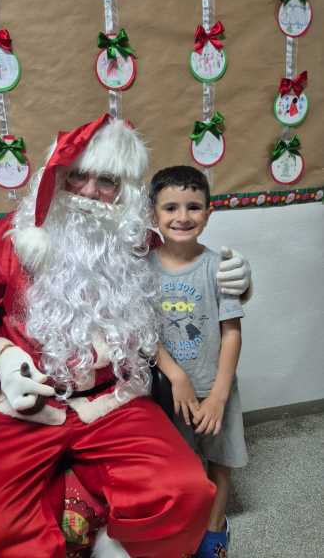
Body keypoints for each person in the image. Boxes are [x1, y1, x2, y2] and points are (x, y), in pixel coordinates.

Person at [0, 115, 250, 558]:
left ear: (124, 191)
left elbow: (187, 260)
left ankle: (116, 542)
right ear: (57, 176)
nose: (88, 191)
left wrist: (238, 278)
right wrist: (1, 358)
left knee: (185, 490)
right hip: (25, 405)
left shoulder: (133, 241)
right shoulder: (10, 240)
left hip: (112, 401)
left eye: (107, 181)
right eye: (77, 176)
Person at [149, 165, 248, 558]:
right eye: (170, 207)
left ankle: (215, 525)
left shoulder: (219, 267)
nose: (182, 216)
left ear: (208, 213)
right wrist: (176, 376)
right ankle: (189, 525)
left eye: (193, 207)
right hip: (172, 396)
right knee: (184, 467)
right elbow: (144, 334)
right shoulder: (142, 270)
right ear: (153, 214)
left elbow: (232, 332)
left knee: (220, 461)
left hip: (217, 388)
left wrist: (220, 395)